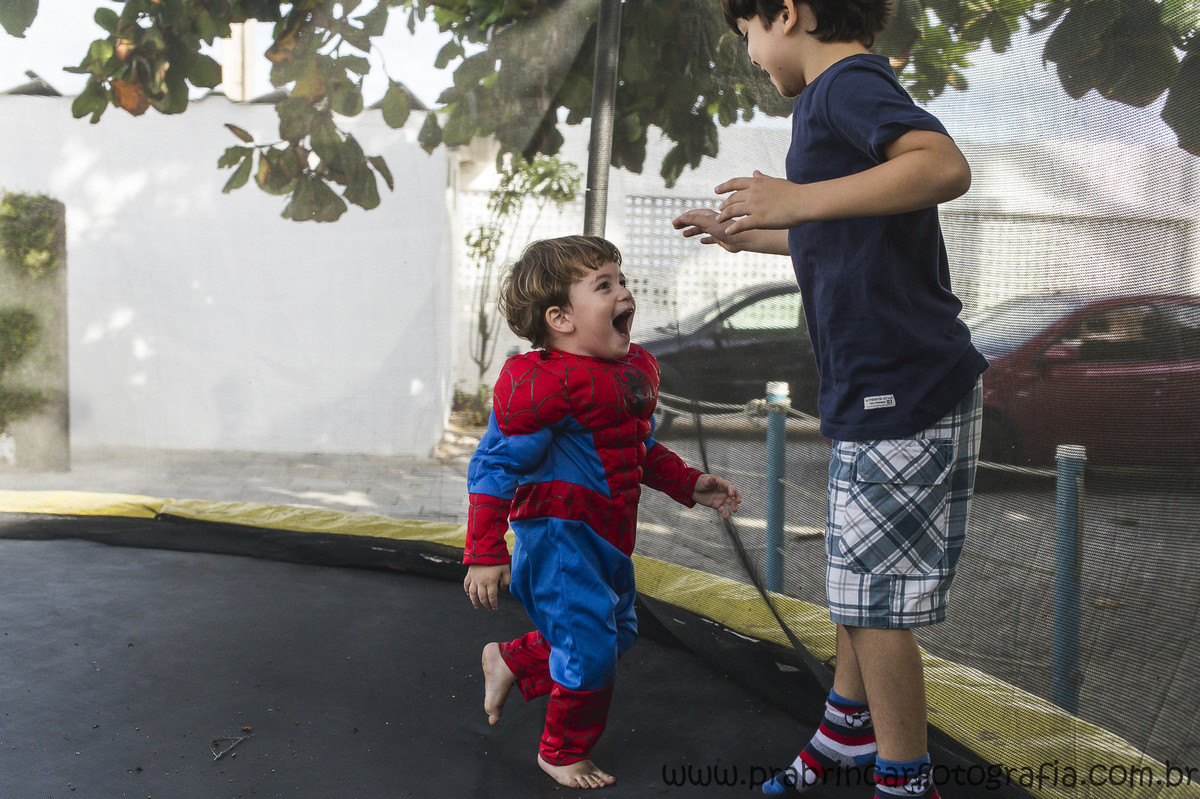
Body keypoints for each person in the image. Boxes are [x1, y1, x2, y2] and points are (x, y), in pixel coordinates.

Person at [672, 1, 988, 797]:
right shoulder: (830, 102)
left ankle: (906, 777)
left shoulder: (846, 86)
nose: (749, 54)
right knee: (855, 578)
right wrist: (757, 232)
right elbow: (851, 228)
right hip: (875, 389)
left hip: (902, 391)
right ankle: (847, 727)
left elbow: (944, 167)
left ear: (786, 11)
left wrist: (799, 200)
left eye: (746, 34)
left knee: (875, 603)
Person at [462, 235, 743, 790]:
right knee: (591, 653)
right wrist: (485, 551)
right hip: (559, 537)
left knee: (618, 632)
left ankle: (515, 660)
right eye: (605, 285)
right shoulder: (538, 386)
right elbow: (494, 468)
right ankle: (561, 751)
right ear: (560, 318)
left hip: (609, 535)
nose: (624, 293)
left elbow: (636, 449)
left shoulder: (625, 373)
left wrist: (691, 484)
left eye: (623, 280)